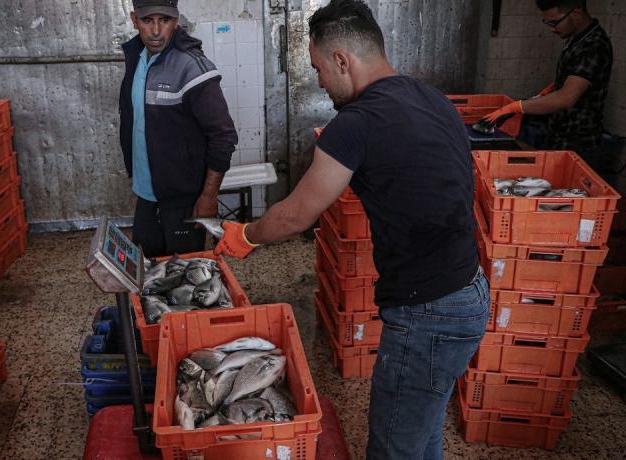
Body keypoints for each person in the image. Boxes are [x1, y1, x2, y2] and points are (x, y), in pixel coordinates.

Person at [214, 1, 489, 458]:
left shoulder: (356, 124)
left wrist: (245, 235)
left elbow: (295, 215)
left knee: (394, 445)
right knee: (422, 429)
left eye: (319, 69)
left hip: (428, 310)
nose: (320, 81)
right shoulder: (431, 98)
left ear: (342, 60)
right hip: (469, 290)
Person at [119, 0, 238, 258]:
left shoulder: (192, 67)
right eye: (147, 20)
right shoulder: (136, 58)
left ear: (176, 20)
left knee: (183, 272)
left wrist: (209, 196)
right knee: (146, 267)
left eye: (164, 20)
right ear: (134, 20)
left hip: (184, 198)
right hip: (146, 193)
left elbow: (223, 136)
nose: (156, 31)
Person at [483, 0, 613, 171]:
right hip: (559, 134)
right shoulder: (577, 38)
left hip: (579, 143)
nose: (552, 28)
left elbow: (566, 98)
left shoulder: (593, 46)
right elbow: (577, 79)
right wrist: (551, 89)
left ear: (576, 11)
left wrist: (517, 107)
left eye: (555, 22)